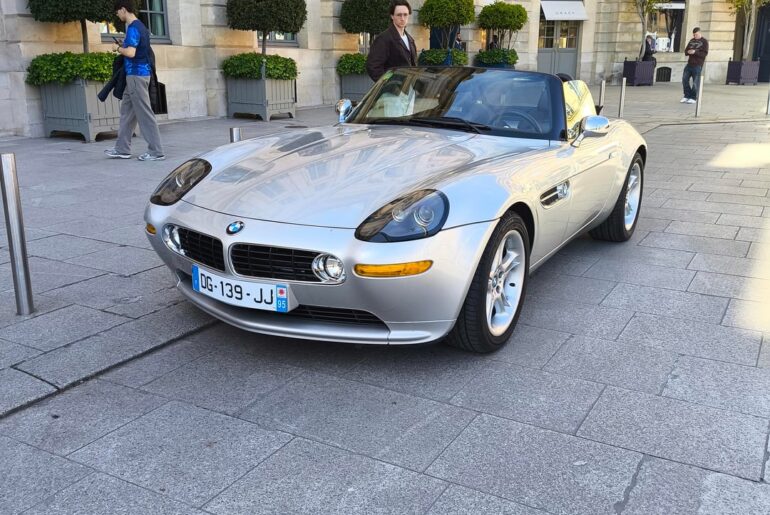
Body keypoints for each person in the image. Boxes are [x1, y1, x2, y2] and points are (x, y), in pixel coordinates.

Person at [105, 0, 165, 160]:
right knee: (127, 112)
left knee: (145, 114)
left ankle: (156, 152)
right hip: (136, 75)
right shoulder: (141, 27)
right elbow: (137, 50)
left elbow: (130, 53)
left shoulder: (133, 28)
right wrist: (124, 45)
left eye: (117, 12)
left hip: (136, 76)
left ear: (123, 9)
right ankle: (122, 149)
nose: (117, 16)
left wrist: (117, 48)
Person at [366, 0, 417, 82]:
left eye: (405, 15)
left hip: (409, 89)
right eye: (399, 15)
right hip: (392, 92)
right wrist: (389, 85)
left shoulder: (410, 39)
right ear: (392, 16)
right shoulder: (383, 38)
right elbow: (373, 67)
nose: (402, 18)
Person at [681, 27, 708, 104]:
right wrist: (689, 52)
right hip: (689, 64)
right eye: (694, 35)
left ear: (700, 33)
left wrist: (695, 52)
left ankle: (693, 97)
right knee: (684, 79)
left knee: (696, 82)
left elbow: (704, 54)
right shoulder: (692, 40)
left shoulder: (704, 42)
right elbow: (686, 51)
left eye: (696, 34)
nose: (694, 36)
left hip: (697, 65)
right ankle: (687, 95)